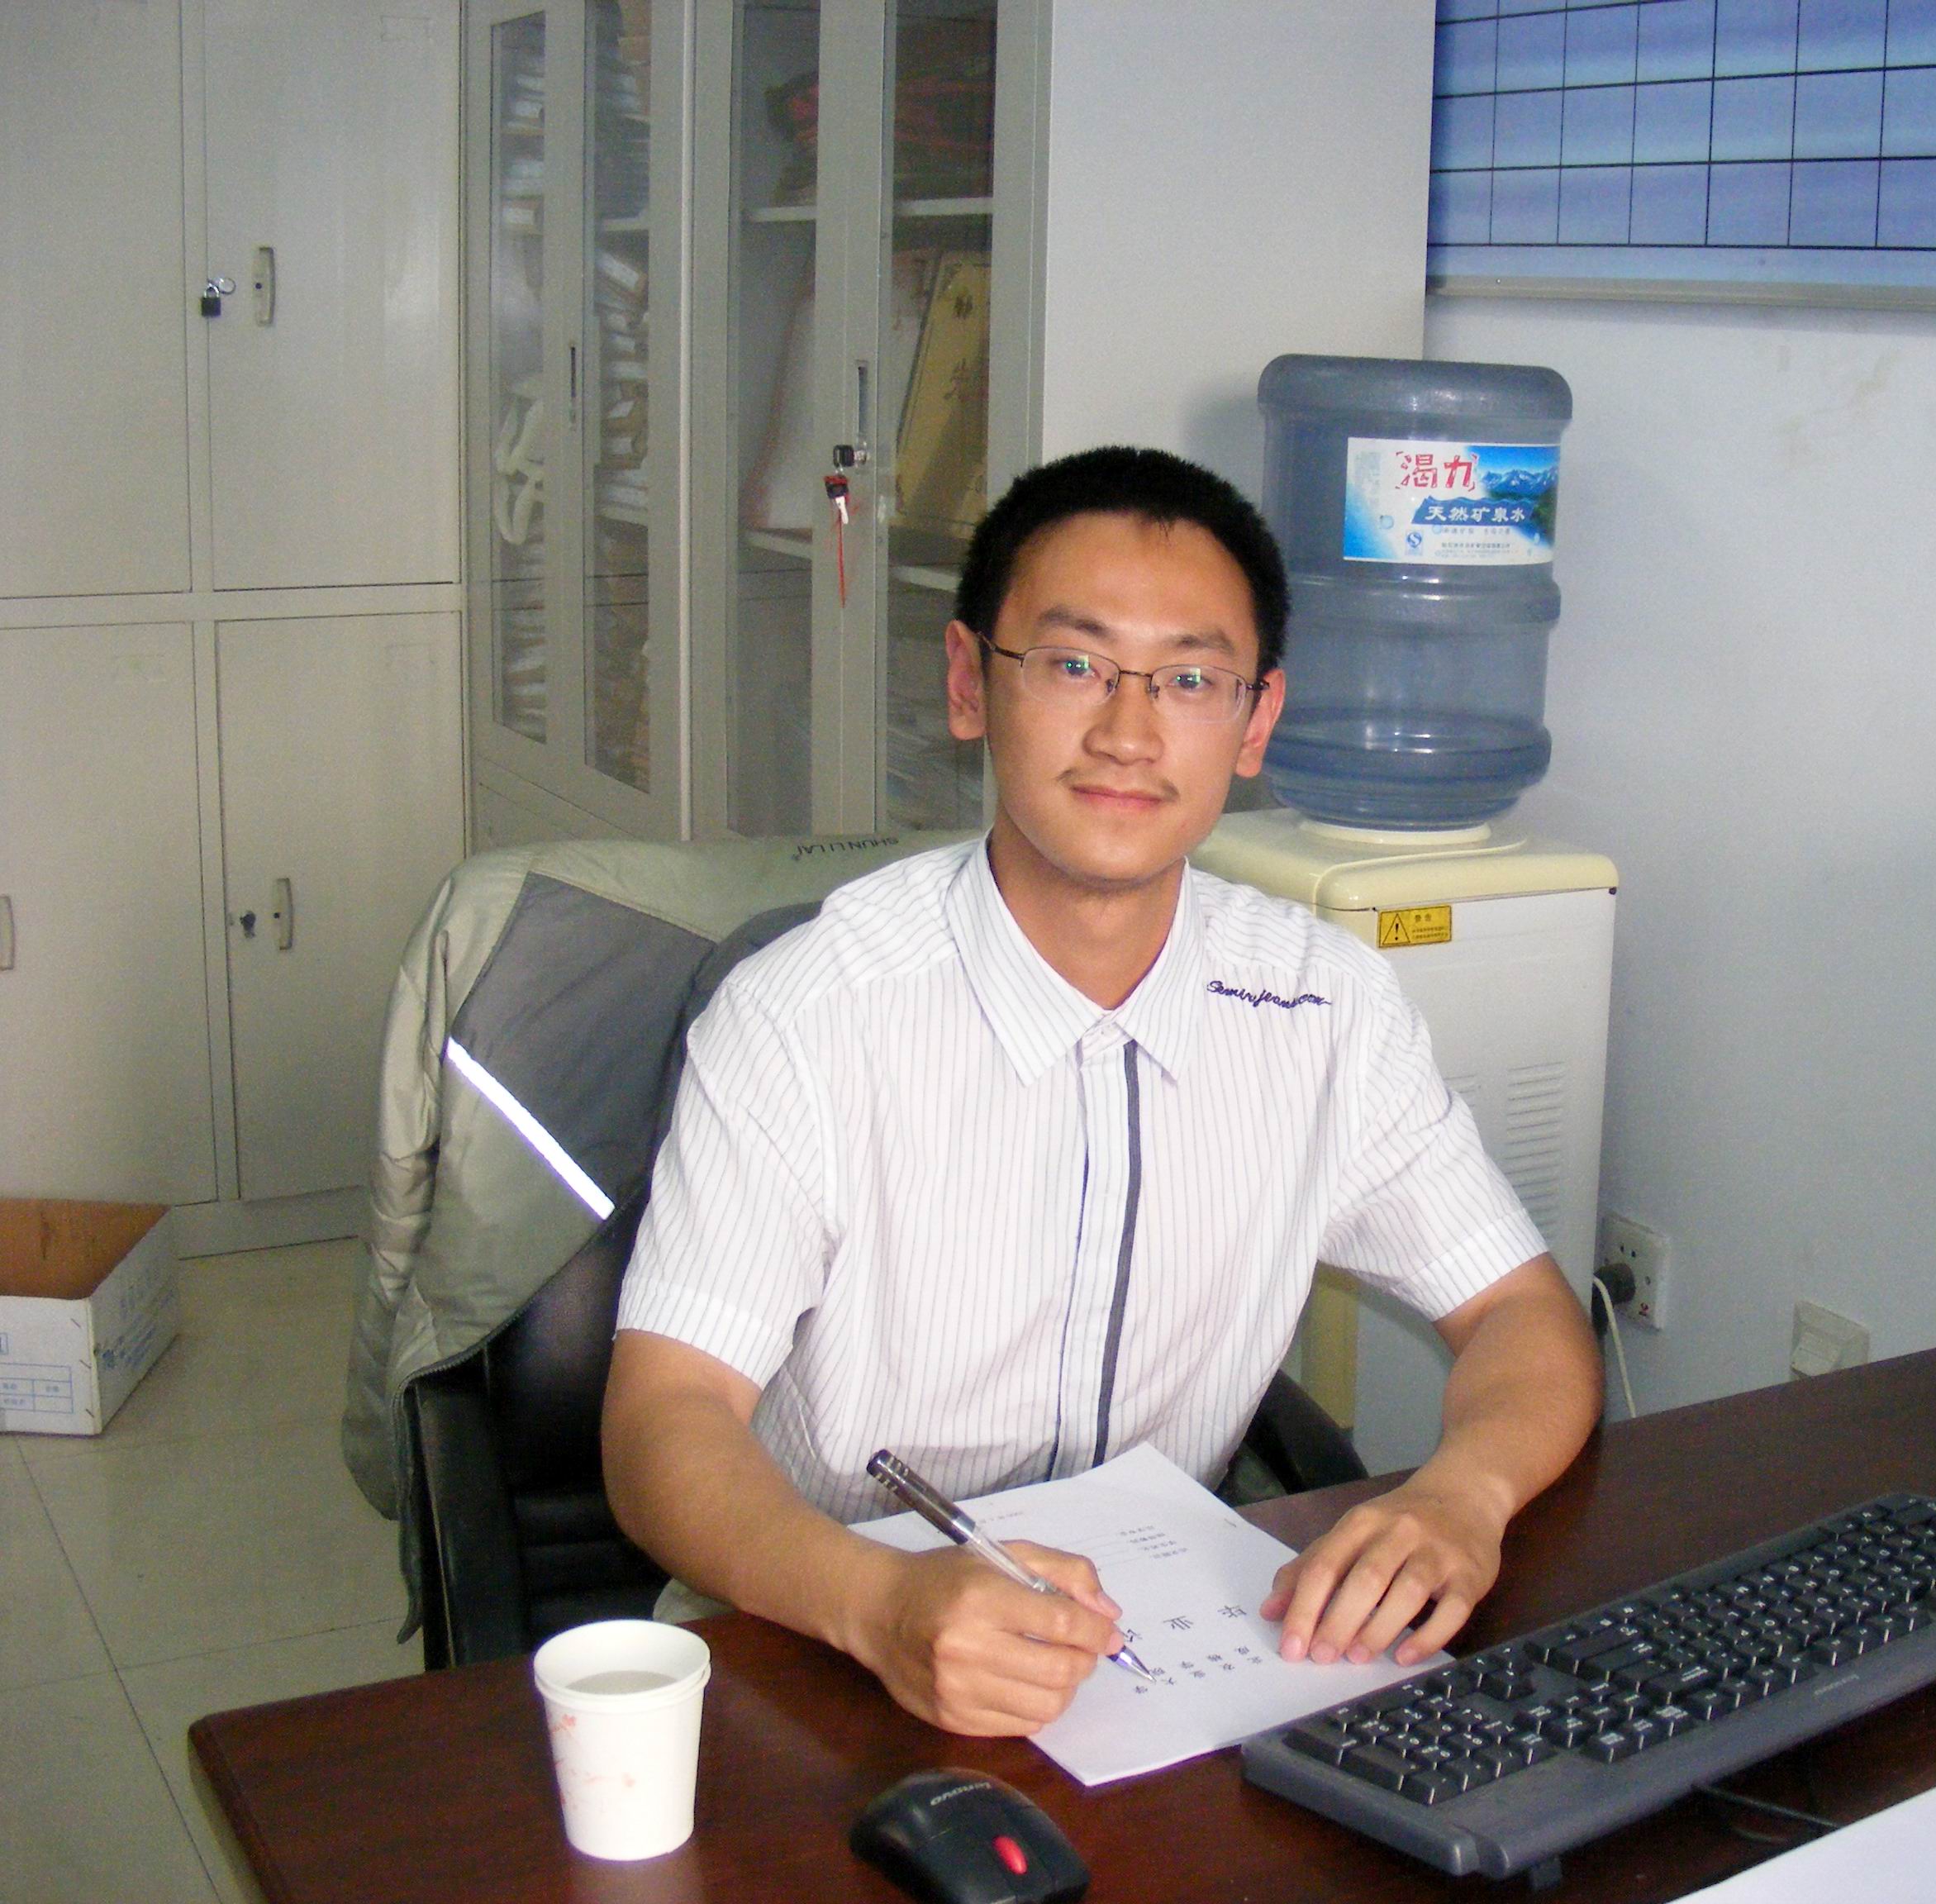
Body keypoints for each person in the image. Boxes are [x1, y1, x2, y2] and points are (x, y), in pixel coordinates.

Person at [602, 445, 1601, 1737]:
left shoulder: (1326, 1011)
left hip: (1154, 1654)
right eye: (1075, 665)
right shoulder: (805, 1014)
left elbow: (1522, 1313)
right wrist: (877, 1603)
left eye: (1189, 680)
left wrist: (1462, 1495)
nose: (1129, 733)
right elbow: (664, 1419)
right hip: (815, 1636)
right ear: (970, 684)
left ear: (1256, 722)